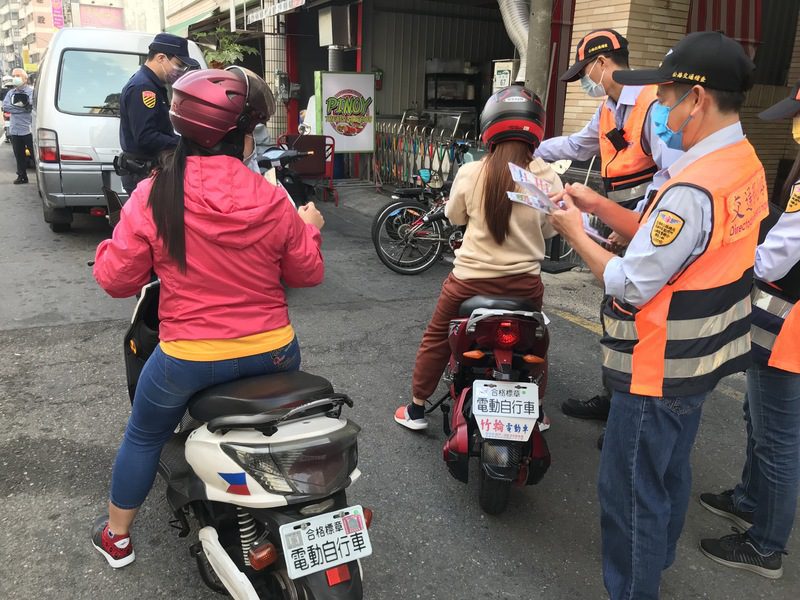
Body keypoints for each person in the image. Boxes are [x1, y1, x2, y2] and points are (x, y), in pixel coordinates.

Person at [548, 32, 766, 599]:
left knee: (629, 494)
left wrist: (575, 232)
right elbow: (674, 245)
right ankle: (658, 562)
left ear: (697, 99)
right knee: (668, 474)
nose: (662, 111)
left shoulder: (693, 187)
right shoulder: (743, 164)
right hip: (702, 360)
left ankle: (634, 588)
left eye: (667, 98)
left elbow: (630, 280)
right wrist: (597, 206)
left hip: (658, 366)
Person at [90, 68, 325, 568]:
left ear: (180, 128)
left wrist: (114, 239)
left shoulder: (154, 195)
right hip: (275, 350)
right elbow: (306, 274)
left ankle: (117, 537)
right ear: (243, 137)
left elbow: (115, 280)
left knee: (145, 433)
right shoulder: (272, 196)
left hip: (188, 358)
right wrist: (309, 230)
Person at [394, 85, 562, 430]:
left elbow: (455, 217)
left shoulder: (472, 172)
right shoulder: (546, 176)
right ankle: (536, 408)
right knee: (535, 342)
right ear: (537, 128)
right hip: (524, 286)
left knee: (438, 338)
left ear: (489, 127)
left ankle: (416, 408)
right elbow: (550, 231)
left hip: (468, 282)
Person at [535, 29, 682, 425]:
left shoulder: (653, 105)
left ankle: (629, 412)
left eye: (584, 70)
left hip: (648, 223)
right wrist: (528, 144)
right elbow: (575, 146)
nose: (584, 80)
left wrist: (638, 224)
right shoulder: (609, 108)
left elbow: (671, 175)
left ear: (601, 63)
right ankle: (614, 396)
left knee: (636, 313)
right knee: (616, 310)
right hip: (621, 218)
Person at [698, 80, 800, 580]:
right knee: (758, 417)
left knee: (777, 436)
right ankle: (748, 499)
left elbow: (773, 258)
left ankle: (765, 546)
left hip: (790, 333)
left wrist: (726, 247)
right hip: (783, 326)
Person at [117, 33, 199, 195]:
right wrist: (183, 143)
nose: (181, 70)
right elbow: (146, 137)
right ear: (161, 58)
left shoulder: (152, 84)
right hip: (143, 172)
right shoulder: (143, 88)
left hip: (147, 169)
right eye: (179, 65)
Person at [2, 68, 34, 184]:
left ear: (25, 79)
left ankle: (42, 178)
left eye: (18, 75)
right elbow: (6, 107)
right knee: (18, 155)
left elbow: (30, 107)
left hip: (29, 130)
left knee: (35, 155)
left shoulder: (31, 92)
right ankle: (22, 176)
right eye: (14, 75)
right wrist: (22, 108)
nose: (15, 78)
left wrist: (17, 108)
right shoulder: (11, 93)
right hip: (15, 130)